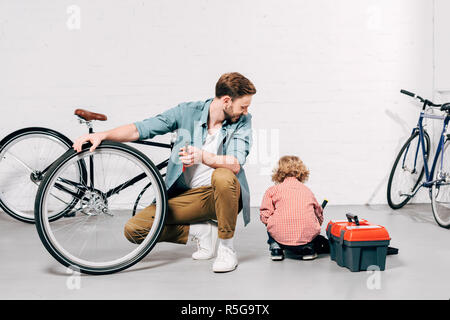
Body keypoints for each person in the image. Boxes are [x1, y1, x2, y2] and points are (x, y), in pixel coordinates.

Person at [72, 72, 256, 273]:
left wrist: (204, 157)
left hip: (222, 196)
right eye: (243, 106)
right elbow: (140, 129)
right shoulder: (187, 112)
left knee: (223, 174)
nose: (245, 111)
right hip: (187, 198)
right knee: (135, 229)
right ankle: (202, 231)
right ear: (227, 101)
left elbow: (235, 163)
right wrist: (104, 135)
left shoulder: (243, 122)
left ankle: (226, 248)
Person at [259, 155, 329, 261]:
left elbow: (265, 216)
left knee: (271, 221)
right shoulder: (307, 190)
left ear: (278, 171)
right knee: (313, 229)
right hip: (306, 237)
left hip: (279, 236)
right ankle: (308, 248)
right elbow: (319, 216)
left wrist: (274, 223)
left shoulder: (273, 190)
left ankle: (276, 248)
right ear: (302, 172)